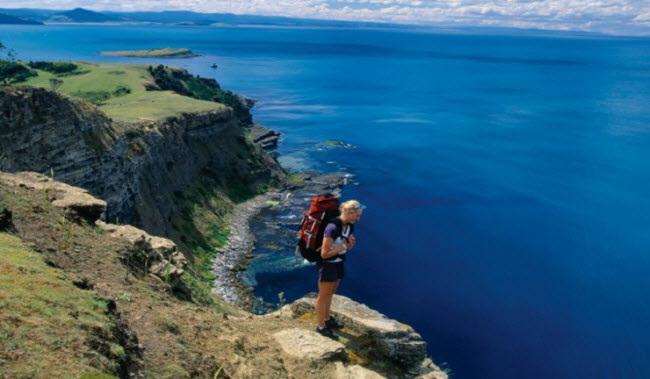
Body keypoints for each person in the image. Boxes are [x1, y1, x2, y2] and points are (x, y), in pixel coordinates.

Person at [315, 199, 363, 340]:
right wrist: (344, 247)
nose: (358, 219)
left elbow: (346, 245)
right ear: (348, 212)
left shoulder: (349, 226)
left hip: (339, 261)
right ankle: (321, 327)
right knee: (323, 295)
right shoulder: (332, 228)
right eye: (357, 215)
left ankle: (327, 318)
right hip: (327, 264)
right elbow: (324, 254)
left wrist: (349, 246)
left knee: (331, 292)